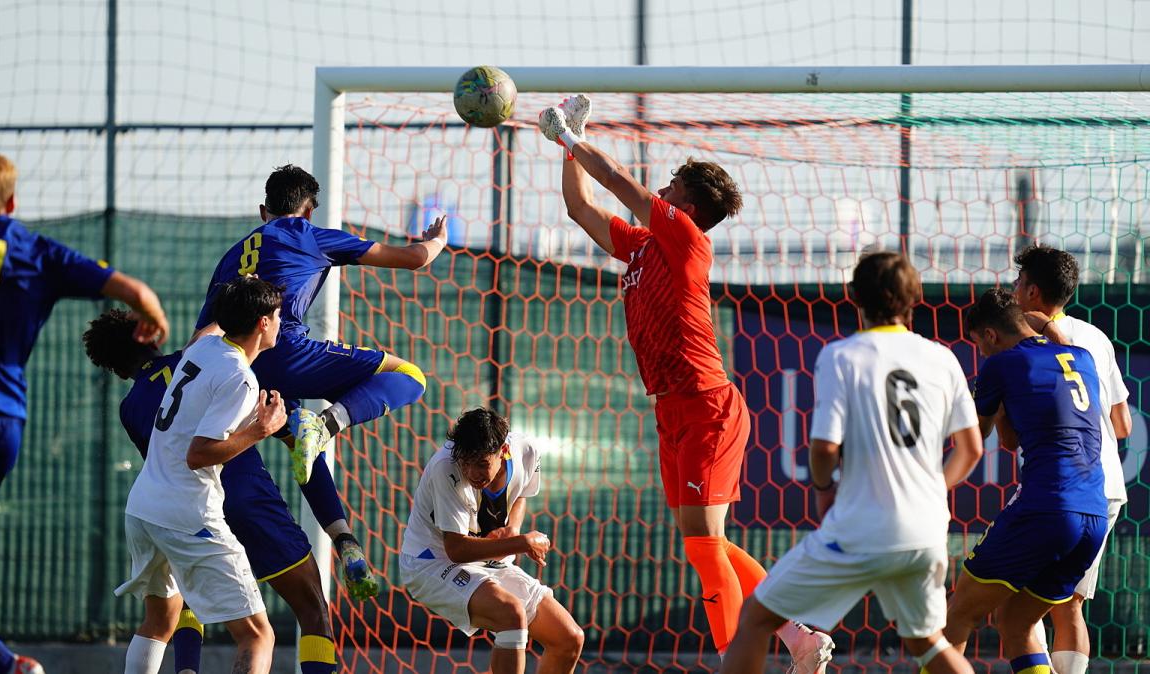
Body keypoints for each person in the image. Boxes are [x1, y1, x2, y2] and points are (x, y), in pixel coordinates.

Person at [538, 96, 834, 669]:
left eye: (672, 184)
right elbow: (581, 207)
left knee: (702, 542)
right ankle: (797, 636)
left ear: (687, 204)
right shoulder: (646, 245)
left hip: (707, 405)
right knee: (709, 543)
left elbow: (621, 182)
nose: (663, 188)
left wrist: (574, 140)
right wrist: (566, 145)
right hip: (673, 408)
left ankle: (735, 657)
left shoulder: (685, 237)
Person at [0, 150, 170, 674]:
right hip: (5, 424)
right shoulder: (34, 249)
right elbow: (135, 292)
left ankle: (9, 667)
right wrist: (153, 320)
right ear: (11, 202)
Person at [719, 251, 984, 674]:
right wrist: (932, 490)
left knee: (755, 619)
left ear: (856, 297)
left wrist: (825, 492)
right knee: (927, 643)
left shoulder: (843, 356)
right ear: (914, 297)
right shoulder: (942, 358)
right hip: (926, 529)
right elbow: (971, 450)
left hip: (862, 527)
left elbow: (824, 449)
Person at [192, 164, 449, 594]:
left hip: (240, 371)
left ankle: (343, 540)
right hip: (288, 352)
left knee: (299, 444)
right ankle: (328, 422)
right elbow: (414, 259)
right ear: (308, 212)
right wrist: (436, 240)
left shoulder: (234, 254)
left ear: (263, 210)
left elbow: (203, 335)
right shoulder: (310, 236)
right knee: (410, 375)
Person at [84, 308, 357, 674]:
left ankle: (187, 669)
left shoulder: (131, 406)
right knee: (305, 608)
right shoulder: (206, 358)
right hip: (239, 500)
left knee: (165, 610)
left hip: (158, 508)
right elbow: (297, 445)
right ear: (148, 336)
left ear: (114, 367)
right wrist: (340, 533)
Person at [115, 276, 287, 674]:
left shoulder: (205, 347)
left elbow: (214, 323)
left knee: (160, 621)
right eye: (277, 315)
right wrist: (260, 429)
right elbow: (199, 454)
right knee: (258, 635)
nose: (282, 322)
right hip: (187, 515)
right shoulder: (241, 378)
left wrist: (239, 282)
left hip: (144, 508)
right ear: (263, 322)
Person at [941, 288, 1109, 674]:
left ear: (990, 335)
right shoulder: (1082, 359)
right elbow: (1014, 437)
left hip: (1045, 508)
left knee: (958, 614)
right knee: (1017, 623)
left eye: (979, 344)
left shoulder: (1001, 365)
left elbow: (974, 439)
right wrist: (1046, 326)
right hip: (1093, 518)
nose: (982, 353)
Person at [1005, 245, 1132, 674]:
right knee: (1070, 603)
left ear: (1033, 291)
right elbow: (1124, 425)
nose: (1014, 289)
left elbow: (1010, 431)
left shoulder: (1024, 340)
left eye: (1019, 281)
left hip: (1062, 486)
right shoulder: (1096, 336)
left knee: (1018, 597)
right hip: (1108, 489)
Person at [399, 408, 584, 674]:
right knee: (511, 614)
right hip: (430, 561)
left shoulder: (527, 451)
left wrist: (513, 528)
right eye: (466, 462)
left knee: (568, 639)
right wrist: (521, 542)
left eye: (482, 464)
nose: (472, 472)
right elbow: (457, 549)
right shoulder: (445, 467)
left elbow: (522, 491)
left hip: (486, 560)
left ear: (504, 451)